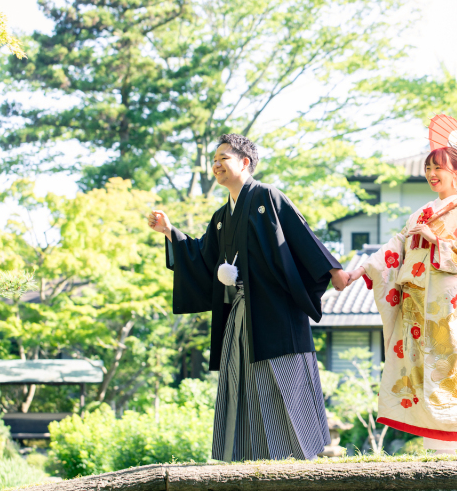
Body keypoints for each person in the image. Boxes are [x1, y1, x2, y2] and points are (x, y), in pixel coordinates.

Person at [148, 134, 350, 462]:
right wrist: (171, 233)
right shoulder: (220, 218)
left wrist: (331, 270)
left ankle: (305, 456)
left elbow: (300, 234)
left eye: (223, 158)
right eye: (214, 161)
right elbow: (201, 256)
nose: (216, 165)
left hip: (275, 309)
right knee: (242, 381)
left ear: (245, 162)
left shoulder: (267, 196)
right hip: (239, 313)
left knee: (284, 376)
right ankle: (248, 457)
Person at [347, 146, 457, 457]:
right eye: (428, 168)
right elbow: (398, 245)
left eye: (438, 167)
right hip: (416, 301)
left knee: (451, 366)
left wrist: (436, 239)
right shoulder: (421, 212)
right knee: (419, 367)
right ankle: (438, 442)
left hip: (445, 305)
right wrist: (360, 269)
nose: (431, 174)